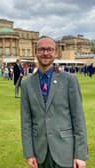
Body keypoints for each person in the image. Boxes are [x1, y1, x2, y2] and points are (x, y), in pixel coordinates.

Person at [21, 36, 89, 168]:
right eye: (41, 49)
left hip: (65, 151)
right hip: (40, 153)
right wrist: (29, 153)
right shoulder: (26, 84)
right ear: (35, 52)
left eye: (49, 49)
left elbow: (78, 118)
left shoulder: (69, 80)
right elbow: (26, 122)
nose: (45, 53)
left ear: (56, 52)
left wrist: (80, 155)